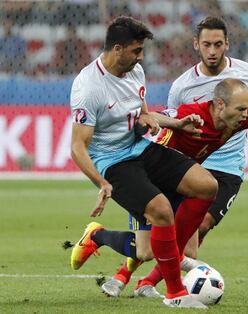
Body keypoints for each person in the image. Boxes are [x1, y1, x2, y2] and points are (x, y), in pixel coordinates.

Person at [77, 79, 248, 297]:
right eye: (240, 109)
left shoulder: (242, 117)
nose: (245, 115)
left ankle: (153, 285)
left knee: (184, 250)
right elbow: (153, 116)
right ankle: (98, 235)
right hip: (151, 179)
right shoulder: (192, 113)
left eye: (246, 110)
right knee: (145, 252)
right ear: (220, 105)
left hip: (181, 183)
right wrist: (156, 125)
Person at [102, 16, 248, 297]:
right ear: (196, 45)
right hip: (192, 164)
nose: (213, 50)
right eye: (207, 44)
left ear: (227, 43)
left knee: (196, 231)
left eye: (218, 44)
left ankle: (146, 282)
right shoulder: (182, 86)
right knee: (159, 238)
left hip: (228, 167)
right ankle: (122, 268)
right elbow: (169, 131)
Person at [69, 15, 220, 309]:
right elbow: (78, 147)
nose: (141, 57)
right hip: (113, 163)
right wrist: (101, 182)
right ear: (117, 49)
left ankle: (168, 249)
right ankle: (177, 295)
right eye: (136, 50)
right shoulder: (89, 87)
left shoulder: (136, 72)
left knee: (206, 185)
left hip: (141, 149)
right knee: (161, 212)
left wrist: (176, 124)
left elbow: (142, 116)